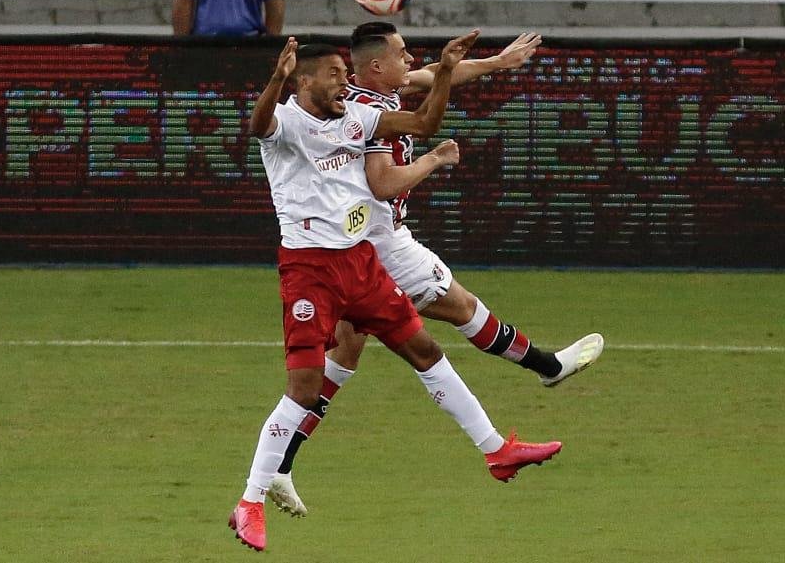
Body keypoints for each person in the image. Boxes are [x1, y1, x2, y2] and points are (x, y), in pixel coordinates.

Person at [229, 36, 562, 552]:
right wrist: (275, 78)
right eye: (335, 73)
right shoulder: (286, 121)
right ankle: (249, 502)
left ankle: (497, 451)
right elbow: (256, 125)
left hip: (361, 262)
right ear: (304, 81)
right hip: (309, 271)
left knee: (425, 349)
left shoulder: (355, 118)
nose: (345, 81)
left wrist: (448, 70)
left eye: (346, 71)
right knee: (303, 386)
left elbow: (424, 125)